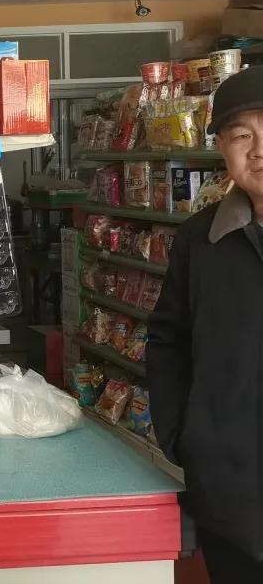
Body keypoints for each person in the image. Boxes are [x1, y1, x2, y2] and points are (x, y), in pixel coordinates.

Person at [149, 66, 263, 582]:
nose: (258, 151)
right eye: (242, 136)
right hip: (231, 496)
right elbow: (167, 339)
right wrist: (183, 435)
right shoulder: (201, 240)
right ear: (221, 148)